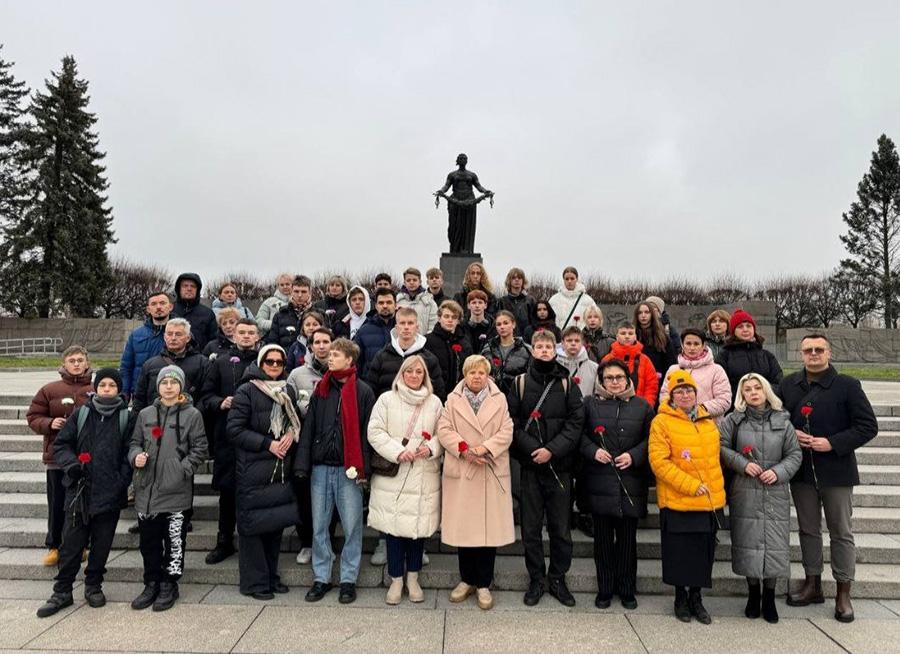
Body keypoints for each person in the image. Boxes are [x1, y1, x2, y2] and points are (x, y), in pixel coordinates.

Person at [781, 334, 878, 623]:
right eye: (808, 350)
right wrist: (790, 432)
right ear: (801, 354)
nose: (813, 354)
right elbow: (777, 417)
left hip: (836, 471)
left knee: (841, 532)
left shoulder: (847, 385)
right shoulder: (789, 384)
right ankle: (812, 584)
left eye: (819, 349)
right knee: (808, 530)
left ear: (829, 353)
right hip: (802, 471)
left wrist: (833, 443)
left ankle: (843, 592)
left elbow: (867, 426)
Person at [35, 369, 134, 618]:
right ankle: (62, 591)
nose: (107, 389)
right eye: (103, 385)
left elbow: (129, 452)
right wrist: (72, 465)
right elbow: (62, 444)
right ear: (96, 388)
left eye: (112, 385)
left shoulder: (126, 417)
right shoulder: (82, 413)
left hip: (110, 491)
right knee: (71, 544)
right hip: (79, 490)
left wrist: (121, 480)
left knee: (101, 544)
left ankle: (93, 585)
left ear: (118, 389)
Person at [296, 338, 376, 605]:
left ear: (349, 360)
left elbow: (366, 433)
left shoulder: (363, 391)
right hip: (321, 468)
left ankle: (348, 579)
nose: (330, 358)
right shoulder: (322, 388)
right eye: (329, 354)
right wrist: (302, 464)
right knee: (319, 525)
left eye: (336, 355)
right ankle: (321, 577)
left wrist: (364, 469)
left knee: (352, 526)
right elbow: (309, 428)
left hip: (349, 469)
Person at [507, 330, 583, 607]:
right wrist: (533, 450)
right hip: (530, 468)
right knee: (530, 529)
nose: (543, 350)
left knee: (560, 529)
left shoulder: (567, 384)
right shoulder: (520, 383)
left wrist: (552, 449)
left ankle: (558, 578)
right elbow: (512, 422)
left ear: (555, 350)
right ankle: (537, 579)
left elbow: (575, 423)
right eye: (538, 346)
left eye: (548, 346)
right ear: (533, 350)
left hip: (560, 467)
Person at [720, 373, 802, 624]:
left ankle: (769, 596)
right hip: (745, 488)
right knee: (748, 540)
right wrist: (742, 464)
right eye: (748, 389)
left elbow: (794, 454)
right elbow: (722, 448)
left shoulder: (783, 421)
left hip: (774, 490)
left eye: (758, 388)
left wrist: (778, 472)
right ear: (741, 394)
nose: (753, 392)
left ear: (766, 391)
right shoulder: (733, 420)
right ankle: (753, 593)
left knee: (774, 542)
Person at [437, 355, 515, 610]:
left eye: (481, 372)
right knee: (465, 529)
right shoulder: (452, 399)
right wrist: (465, 450)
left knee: (487, 530)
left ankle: (483, 583)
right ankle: (466, 579)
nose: (477, 377)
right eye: (472, 372)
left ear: (488, 375)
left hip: (489, 467)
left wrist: (484, 448)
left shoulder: (499, 399)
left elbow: (507, 430)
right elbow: (444, 429)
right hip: (463, 468)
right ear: (465, 375)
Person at [649, 370, 725, 625]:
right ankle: (680, 598)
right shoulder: (661, 422)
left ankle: (696, 597)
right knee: (679, 553)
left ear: (696, 393)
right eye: (679, 391)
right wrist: (691, 486)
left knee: (703, 553)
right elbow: (659, 462)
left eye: (689, 390)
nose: (685, 395)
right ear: (671, 396)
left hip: (708, 501)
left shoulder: (707, 420)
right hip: (678, 499)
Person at [129, 366, 208, 612]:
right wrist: (135, 457)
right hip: (147, 491)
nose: (169, 386)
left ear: (181, 386)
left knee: (174, 542)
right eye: (165, 382)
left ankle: (169, 583)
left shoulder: (192, 414)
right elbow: (134, 442)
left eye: (174, 382)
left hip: (176, 491)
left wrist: (181, 469)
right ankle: (151, 582)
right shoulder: (145, 414)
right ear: (158, 386)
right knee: (149, 543)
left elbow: (200, 448)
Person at [367, 355, 443, 604]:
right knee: (394, 530)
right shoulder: (386, 399)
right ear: (401, 373)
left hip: (423, 472)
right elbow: (374, 431)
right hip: (395, 474)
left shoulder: (434, 402)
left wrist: (430, 448)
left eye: (419, 372)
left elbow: (443, 433)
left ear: (425, 376)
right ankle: (396, 579)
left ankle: (413, 578)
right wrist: (398, 451)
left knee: (417, 531)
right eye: (409, 371)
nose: (413, 375)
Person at [579, 359, 654, 610]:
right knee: (602, 541)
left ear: (627, 379)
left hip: (630, 482)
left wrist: (634, 455)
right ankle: (605, 588)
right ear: (601, 380)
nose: (614, 382)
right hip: (599, 481)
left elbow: (652, 439)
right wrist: (593, 451)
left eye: (619, 377)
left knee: (627, 542)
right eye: (609, 378)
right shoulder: (589, 404)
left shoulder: (642, 406)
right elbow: (579, 435)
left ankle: (627, 589)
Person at [227, 344, 301, 600]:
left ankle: (270, 577)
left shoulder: (287, 390)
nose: (274, 366)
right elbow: (234, 430)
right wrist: (267, 444)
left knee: (274, 525)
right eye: (269, 361)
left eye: (279, 362)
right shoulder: (247, 390)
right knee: (253, 529)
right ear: (260, 363)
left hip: (279, 470)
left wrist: (291, 433)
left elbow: (294, 421)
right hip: (254, 468)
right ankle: (255, 583)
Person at [199, 318, 260, 565]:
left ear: (258, 336)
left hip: (256, 437)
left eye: (250, 333)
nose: (246, 336)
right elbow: (205, 396)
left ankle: (252, 542)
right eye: (241, 332)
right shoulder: (220, 363)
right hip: (227, 438)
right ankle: (224, 540)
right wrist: (220, 402)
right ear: (233, 336)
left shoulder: (266, 361)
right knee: (228, 493)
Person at [27, 345, 93, 567]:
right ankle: (54, 546)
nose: (76, 364)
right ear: (63, 364)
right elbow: (33, 417)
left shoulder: (95, 389)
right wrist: (49, 423)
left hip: (85, 458)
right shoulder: (49, 390)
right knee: (57, 504)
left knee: (83, 504)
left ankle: (81, 546)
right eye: (72, 360)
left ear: (87, 363)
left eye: (80, 360)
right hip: (56, 458)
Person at [286, 327, 334, 564]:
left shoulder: (339, 373)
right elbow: (287, 406)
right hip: (304, 442)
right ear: (311, 346)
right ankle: (307, 542)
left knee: (330, 496)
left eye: (326, 341)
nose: (322, 346)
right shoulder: (297, 374)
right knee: (304, 494)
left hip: (331, 441)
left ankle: (327, 542)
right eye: (317, 342)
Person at [132, 318, 210, 414]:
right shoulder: (150, 365)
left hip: (189, 419)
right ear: (164, 337)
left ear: (188, 338)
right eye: (169, 334)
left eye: (178, 334)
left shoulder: (202, 363)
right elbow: (139, 399)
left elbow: (206, 396)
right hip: (156, 419)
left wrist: (193, 415)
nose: (173, 338)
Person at [367, 306, 446, 400]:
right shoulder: (381, 357)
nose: (406, 327)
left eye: (410, 323)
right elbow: (371, 390)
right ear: (396, 327)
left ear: (417, 327)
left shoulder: (429, 359)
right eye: (402, 323)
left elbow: (438, 394)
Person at [659, 329, 731, 421]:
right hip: (677, 423)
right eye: (688, 344)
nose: (692, 348)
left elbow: (724, 400)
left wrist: (698, 411)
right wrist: (678, 411)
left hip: (708, 425)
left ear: (703, 345)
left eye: (696, 344)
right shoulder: (673, 370)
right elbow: (664, 396)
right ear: (682, 345)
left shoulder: (716, 370)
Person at [716, 309, 783, 400]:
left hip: (765, 403)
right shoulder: (724, 356)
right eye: (740, 327)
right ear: (733, 331)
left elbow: (778, 382)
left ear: (753, 329)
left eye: (748, 326)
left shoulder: (767, 356)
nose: (745, 329)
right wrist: (743, 396)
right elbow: (720, 385)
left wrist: (762, 396)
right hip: (736, 404)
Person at [120, 291, 172, 401]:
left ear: (170, 307)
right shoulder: (136, 335)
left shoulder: (179, 334)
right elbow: (126, 367)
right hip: (141, 395)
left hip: (171, 393)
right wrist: (124, 394)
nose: (158, 307)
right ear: (148, 309)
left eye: (162, 303)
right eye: (154, 304)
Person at [602, 322, 659, 408]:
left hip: (638, 409)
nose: (627, 336)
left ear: (635, 337)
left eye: (630, 333)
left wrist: (646, 408)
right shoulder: (607, 360)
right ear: (617, 337)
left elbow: (651, 386)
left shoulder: (645, 360)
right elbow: (601, 386)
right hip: (611, 408)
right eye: (623, 333)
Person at [424, 300, 473, 394]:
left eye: (454, 317)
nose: (450, 320)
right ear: (439, 318)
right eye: (446, 316)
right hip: (434, 393)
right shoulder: (427, 341)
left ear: (458, 321)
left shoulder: (465, 343)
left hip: (459, 394)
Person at [482, 310, 532, 394]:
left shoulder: (526, 350)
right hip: (493, 395)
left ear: (513, 324)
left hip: (518, 395)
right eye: (499, 324)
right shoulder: (488, 348)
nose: (502, 327)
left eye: (505, 323)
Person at [354, 288, 396, 377]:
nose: (385, 306)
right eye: (381, 303)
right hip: (370, 382)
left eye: (389, 302)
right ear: (376, 306)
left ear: (395, 305)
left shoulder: (404, 328)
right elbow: (357, 363)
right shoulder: (363, 331)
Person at [171, 272, 217, 351]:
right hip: (171, 356)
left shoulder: (208, 313)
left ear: (197, 290)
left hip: (199, 356)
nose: (189, 289)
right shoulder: (169, 310)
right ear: (179, 289)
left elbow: (213, 340)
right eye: (185, 286)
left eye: (193, 286)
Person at [265, 275, 313, 350]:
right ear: (291, 292)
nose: (299, 295)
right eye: (296, 291)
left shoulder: (320, 315)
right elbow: (272, 344)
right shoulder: (280, 316)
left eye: (303, 292)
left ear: (309, 293)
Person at [634, 302, 677, 380]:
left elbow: (670, 362)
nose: (643, 315)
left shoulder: (662, 336)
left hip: (657, 380)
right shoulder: (632, 335)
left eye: (647, 312)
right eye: (640, 313)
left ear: (652, 314)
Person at [548, 267, 598, 331]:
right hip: (560, 336)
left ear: (576, 279)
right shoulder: (554, 300)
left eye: (572, 278)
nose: (569, 281)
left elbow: (596, 319)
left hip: (581, 336)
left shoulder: (588, 300)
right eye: (567, 279)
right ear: (563, 280)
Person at [556, 325, 599, 398]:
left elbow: (597, 395)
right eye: (569, 340)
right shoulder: (554, 366)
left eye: (577, 341)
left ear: (582, 343)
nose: (573, 343)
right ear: (562, 343)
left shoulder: (594, 368)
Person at [396, 267, 439, 335]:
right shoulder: (398, 302)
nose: (411, 282)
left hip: (424, 340)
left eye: (414, 280)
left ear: (420, 282)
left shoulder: (429, 302)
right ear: (404, 283)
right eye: (408, 280)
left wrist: (424, 339)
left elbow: (433, 326)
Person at [498, 267, 535, 336]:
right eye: (513, 278)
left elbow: (534, 322)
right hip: (507, 337)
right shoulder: (502, 301)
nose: (517, 280)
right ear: (509, 281)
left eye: (519, 278)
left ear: (523, 281)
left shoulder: (530, 300)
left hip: (526, 338)